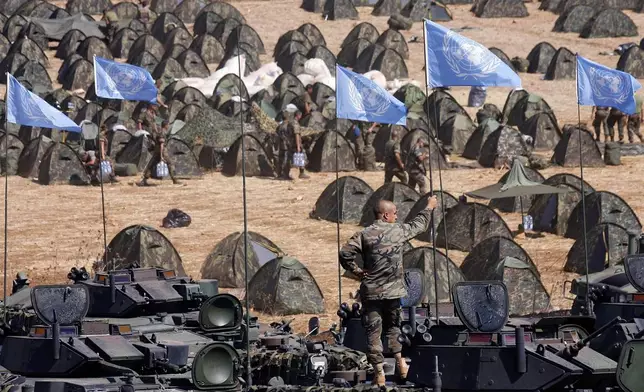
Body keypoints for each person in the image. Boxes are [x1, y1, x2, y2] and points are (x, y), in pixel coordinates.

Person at [339, 196, 438, 386]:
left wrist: (358, 271)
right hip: (393, 294)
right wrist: (429, 207)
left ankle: (379, 373)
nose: (397, 215)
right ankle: (401, 364)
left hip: (372, 294)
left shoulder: (364, 234)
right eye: (395, 213)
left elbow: (345, 253)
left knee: (373, 333)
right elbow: (420, 225)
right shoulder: (398, 231)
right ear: (385, 215)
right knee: (394, 328)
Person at [138, 119, 180, 186]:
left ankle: (144, 180)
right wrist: (161, 156)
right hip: (162, 152)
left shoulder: (159, 131)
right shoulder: (163, 132)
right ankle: (175, 179)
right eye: (168, 125)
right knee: (170, 164)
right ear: (165, 125)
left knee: (150, 166)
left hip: (157, 152)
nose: (168, 126)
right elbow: (161, 145)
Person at [276, 110, 310, 180]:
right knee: (300, 157)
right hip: (294, 144)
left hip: (286, 144)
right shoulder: (294, 124)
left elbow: (278, 135)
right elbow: (296, 134)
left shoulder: (281, 126)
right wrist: (298, 146)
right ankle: (301, 173)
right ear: (298, 115)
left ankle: (283, 174)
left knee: (285, 159)